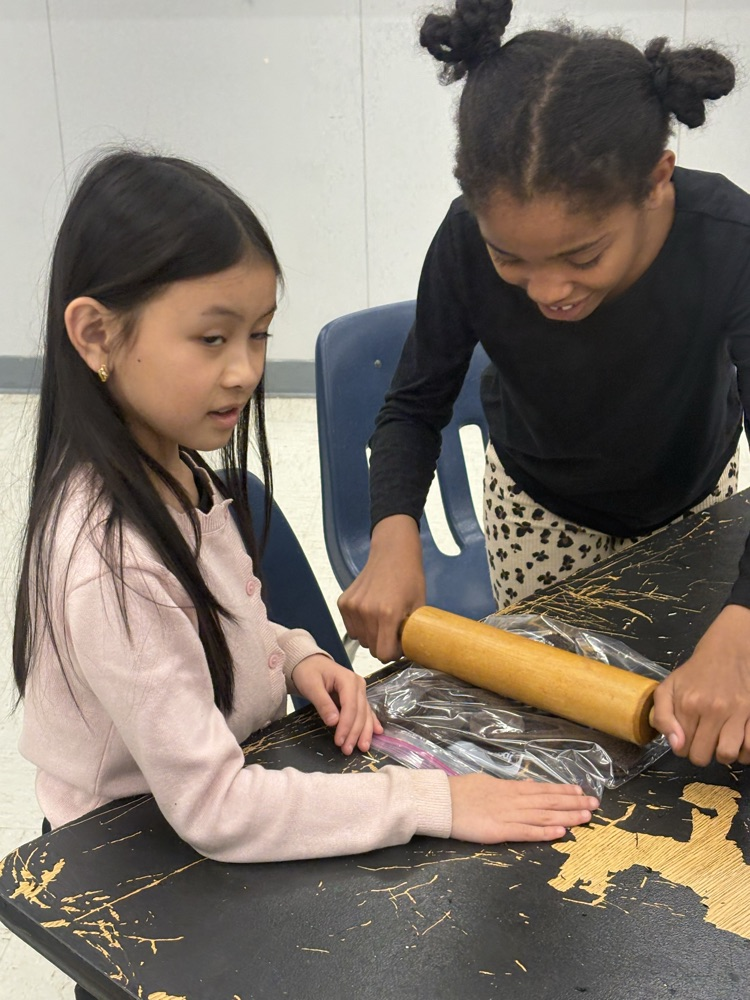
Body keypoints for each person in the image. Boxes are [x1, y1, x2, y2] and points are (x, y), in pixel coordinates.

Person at [12, 149, 597, 977]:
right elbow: (215, 809)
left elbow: (215, 618)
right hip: (132, 857)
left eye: (257, 336)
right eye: (212, 338)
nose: (247, 370)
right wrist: (436, 798)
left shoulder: (172, 464)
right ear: (96, 334)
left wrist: (295, 653)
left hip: (204, 792)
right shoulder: (106, 564)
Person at [339, 0, 750, 770]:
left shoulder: (730, 241)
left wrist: (744, 622)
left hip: (692, 501)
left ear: (657, 180)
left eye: (583, 256)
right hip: (541, 512)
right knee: (570, 723)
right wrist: (395, 531)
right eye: (511, 259)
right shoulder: (464, 241)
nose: (546, 290)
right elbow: (413, 405)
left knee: (700, 716)